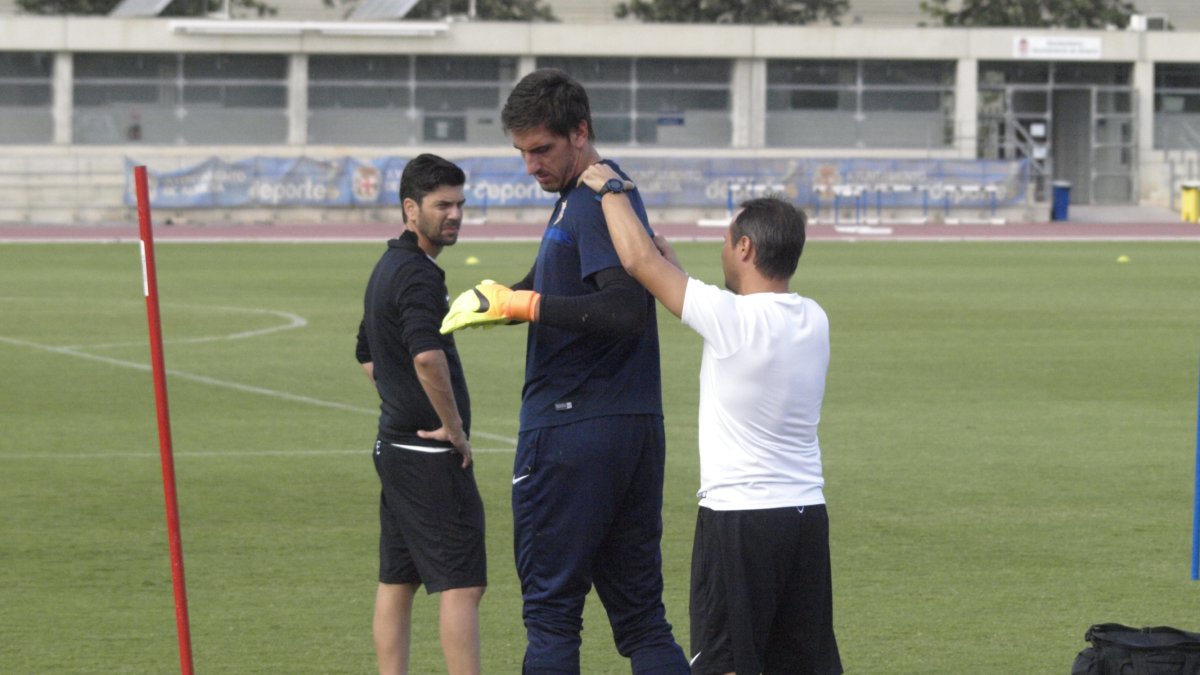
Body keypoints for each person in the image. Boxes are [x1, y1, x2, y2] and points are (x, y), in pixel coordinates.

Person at [440, 68, 690, 675]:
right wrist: (503, 298)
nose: (530, 165)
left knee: (552, 618)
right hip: (630, 429)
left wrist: (523, 305)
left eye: (542, 149)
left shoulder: (594, 200)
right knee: (642, 620)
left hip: (572, 433)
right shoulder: (596, 195)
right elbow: (564, 286)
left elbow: (625, 308)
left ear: (580, 133)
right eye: (522, 152)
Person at [579, 162, 844, 675]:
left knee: (723, 661)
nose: (722, 249)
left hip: (741, 519)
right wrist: (672, 265)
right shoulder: (813, 318)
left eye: (726, 240)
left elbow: (636, 261)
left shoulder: (732, 321)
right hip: (806, 516)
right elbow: (695, 291)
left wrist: (610, 189)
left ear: (745, 248)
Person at [355, 153, 486, 675]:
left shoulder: (388, 265)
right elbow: (427, 356)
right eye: (442, 205)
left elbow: (367, 354)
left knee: (399, 579)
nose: (454, 215)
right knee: (463, 583)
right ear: (411, 209)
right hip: (428, 454)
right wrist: (451, 428)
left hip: (396, 446)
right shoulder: (416, 276)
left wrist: (400, 401)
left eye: (459, 204)